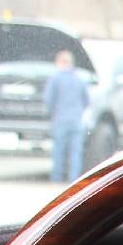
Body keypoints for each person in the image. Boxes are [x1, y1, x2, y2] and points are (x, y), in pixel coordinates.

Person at [43, 48, 90, 183]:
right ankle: (73, 180)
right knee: (75, 153)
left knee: (59, 152)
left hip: (60, 120)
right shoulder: (79, 79)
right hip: (76, 121)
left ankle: (56, 179)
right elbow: (86, 100)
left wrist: (53, 112)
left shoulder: (55, 79)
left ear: (59, 62)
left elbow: (48, 100)